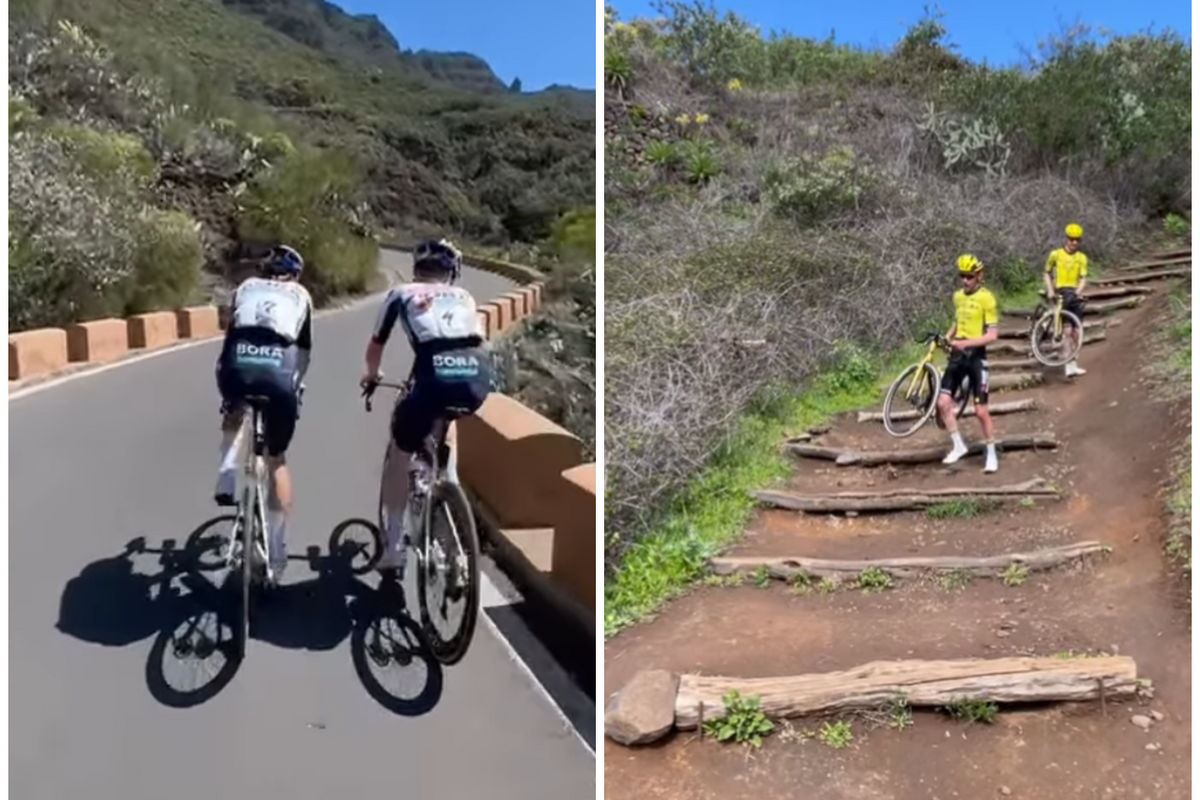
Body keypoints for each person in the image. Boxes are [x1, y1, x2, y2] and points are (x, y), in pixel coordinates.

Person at [360, 238, 491, 574]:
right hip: (476, 374)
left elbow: (376, 345)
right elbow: (479, 339)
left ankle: (392, 548)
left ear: (416, 269)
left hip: (432, 371)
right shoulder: (464, 297)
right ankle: (450, 485)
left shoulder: (401, 294)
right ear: (452, 273)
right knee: (447, 420)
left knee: (401, 450)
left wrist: (372, 376)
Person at [214, 244, 313, 581]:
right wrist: (296, 386)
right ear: (295, 274)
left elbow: (229, 334)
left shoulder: (245, 287)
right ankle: (278, 547)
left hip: (237, 363)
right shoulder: (301, 295)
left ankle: (227, 473)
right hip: (279, 372)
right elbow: (303, 352)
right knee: (276, 459)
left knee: (235, 406)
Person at [936, 254, 999, 473]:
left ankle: (991, 453)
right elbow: (957, 321)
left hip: (976, 356)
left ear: (979, 276)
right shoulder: (958, 297)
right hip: (957, 356)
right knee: (943, 402)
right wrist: (947, 337)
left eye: (969, 277)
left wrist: (966, 343)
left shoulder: (987, 298)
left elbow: (992, 336)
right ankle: (958, 446)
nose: (965, 281)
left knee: (981, 411)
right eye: (962, 276)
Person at [1042, 223, 1089, 377]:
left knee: (1076, 332)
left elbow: (1083, 278)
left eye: (1077, 239)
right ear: (1066, 239)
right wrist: (1050, 289)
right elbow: (1047, 272)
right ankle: (1068, 366)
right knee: (1067, 332)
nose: (1074, 242)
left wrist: (1077, 292)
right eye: (1071, 239)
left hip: (1073, 294)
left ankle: (1074, 363)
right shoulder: (1056, 254)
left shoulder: (1081, 258)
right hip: (1060, 292)